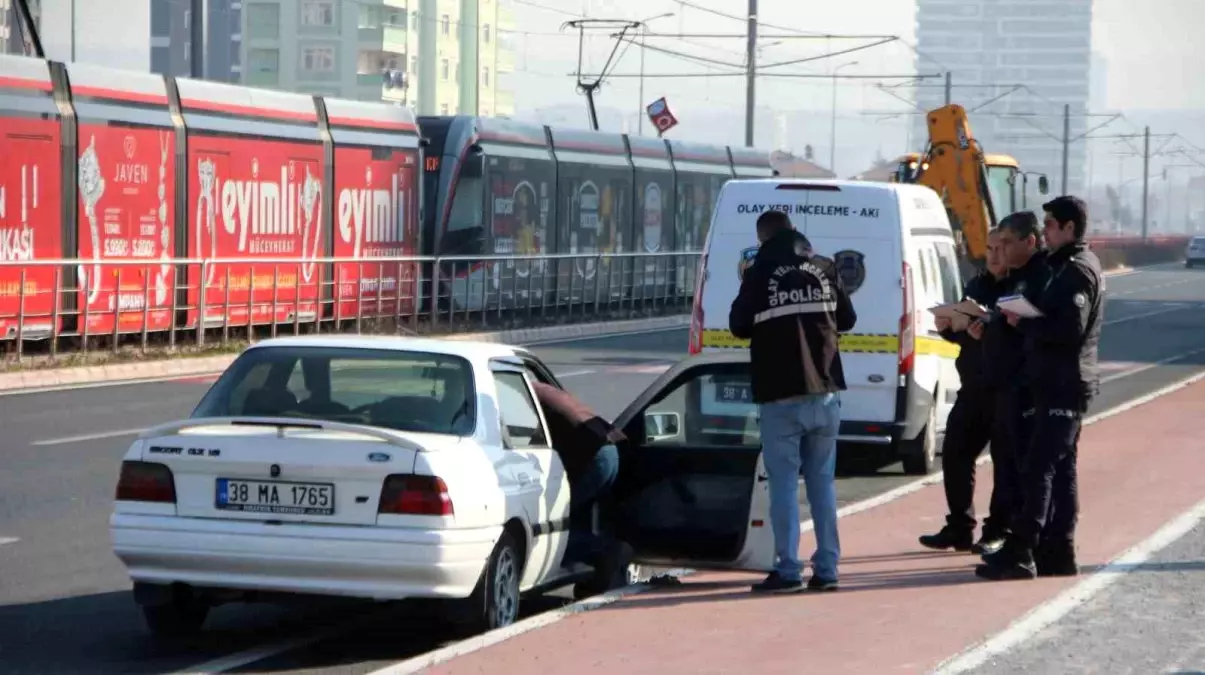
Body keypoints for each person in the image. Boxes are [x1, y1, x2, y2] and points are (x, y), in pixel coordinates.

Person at [728, 209, 857, 594]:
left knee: (784, 486)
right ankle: (828, 568)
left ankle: (787, 570)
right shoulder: (823, 267)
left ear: (763, 238)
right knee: (822, 484)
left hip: (780, 393)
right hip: (826, 391)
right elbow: (847, 320)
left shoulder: (759, 273)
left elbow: (738, 326)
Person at [977, 196, 1104, 581]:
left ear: (1069, 228)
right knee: (1061, 469)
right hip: (1052, 381)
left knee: (1039, 466)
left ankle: (1022, 551)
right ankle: (1058, 551)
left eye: (1049, 224)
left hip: (1064, 383)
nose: (1044, 230)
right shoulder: (1061, 266)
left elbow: (1069, 331)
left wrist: (1024, 324)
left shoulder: (1078, 271)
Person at [918, 229, 1012, 555]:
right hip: (973, 386)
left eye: (1001, 249)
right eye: (989, 249)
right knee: (956, 452)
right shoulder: (977, 284)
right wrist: (951, 330)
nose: (994, 256)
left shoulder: (1022, 286)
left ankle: (997, 531)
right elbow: (964, 337)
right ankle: (959, 526)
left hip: (1007, 389)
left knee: (1005, 461)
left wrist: (991, 327)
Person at [531, 382, 630, 573]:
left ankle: (603, 552)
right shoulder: (547, 390)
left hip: (596, 457)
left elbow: (536, 438)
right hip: (610, 450)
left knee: (559, 515)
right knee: (580, 511)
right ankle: (596, 559)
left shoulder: (526, 393)